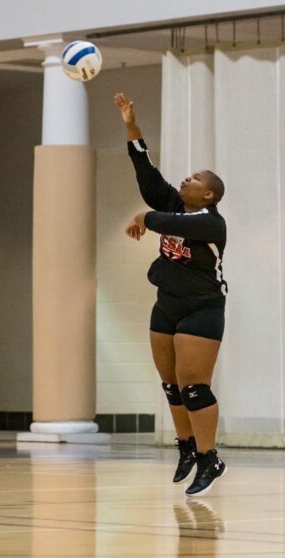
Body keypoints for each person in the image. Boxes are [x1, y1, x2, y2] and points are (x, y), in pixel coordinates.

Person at [114, 92, 228, 497]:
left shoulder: (212, 224)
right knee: (171, 386)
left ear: (209, 195)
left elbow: (160, 220)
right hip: (166, 303)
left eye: (195, 179)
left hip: (202, 309)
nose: (186, 180)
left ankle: (210, 457)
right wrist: (131, 125)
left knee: (195, 386)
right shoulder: (174, 206)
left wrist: (146, 217)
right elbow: (146, 172)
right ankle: (187, 448)